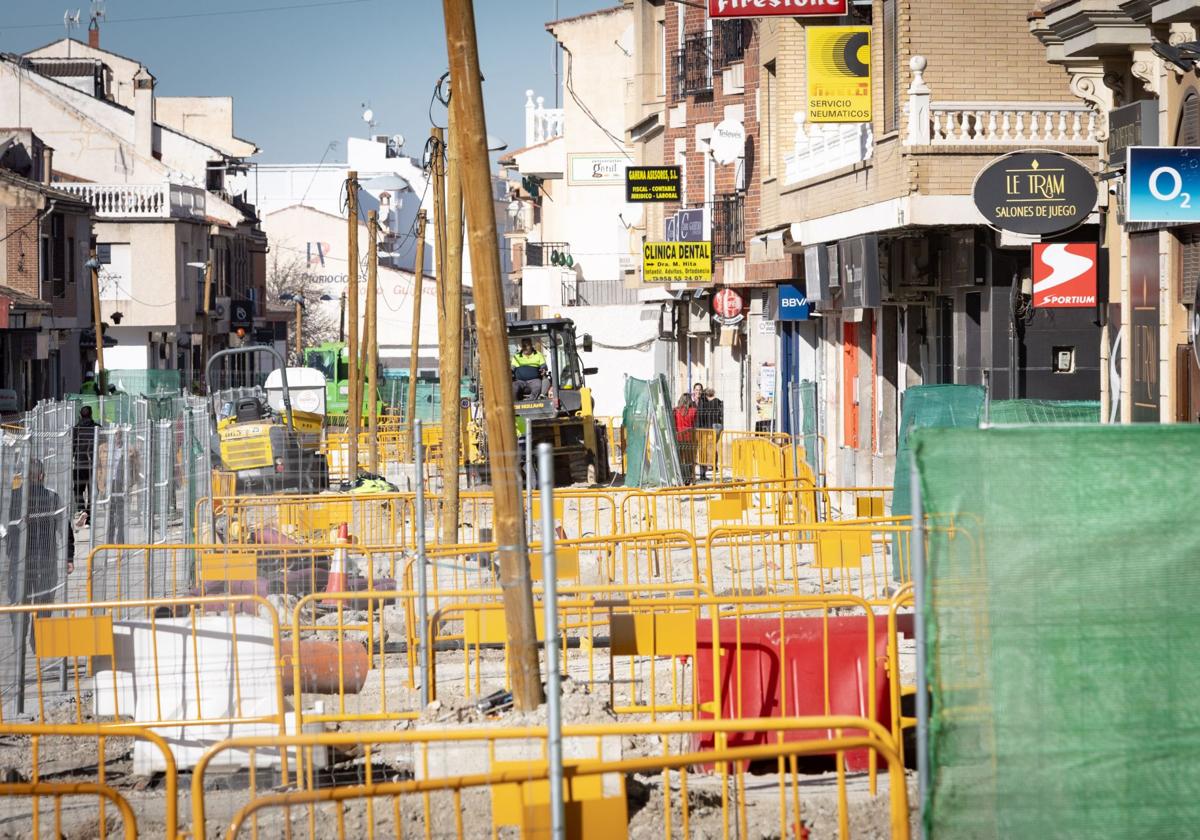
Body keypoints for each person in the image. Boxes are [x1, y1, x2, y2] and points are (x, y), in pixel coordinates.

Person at [6, 459, 73, 652]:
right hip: (46, 559)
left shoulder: (12, 498)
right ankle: (38, 642)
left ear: (25, 477)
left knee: (19, 602)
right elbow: (65, 529)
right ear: (42, 476)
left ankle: (19, 642)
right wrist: (69, 557)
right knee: (44, 602)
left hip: (20, 561)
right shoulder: (52, 498)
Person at [72, 405, 100, 525]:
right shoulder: (97, 428)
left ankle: (82, 509)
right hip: (94, 463)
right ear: (91, 414)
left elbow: (73, 446)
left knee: (78, 489)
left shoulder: (76, 429)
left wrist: (73, 457)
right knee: (92, 491)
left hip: (80, 462)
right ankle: (88, 515)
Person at [673, 393, 697, 482]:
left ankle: (680, 477)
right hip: (690, 438)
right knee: (689, 460)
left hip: (678, 438)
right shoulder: (693, 411)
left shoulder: (676, 411)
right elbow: (694, 423)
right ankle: (690, 478)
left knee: (680, 460)